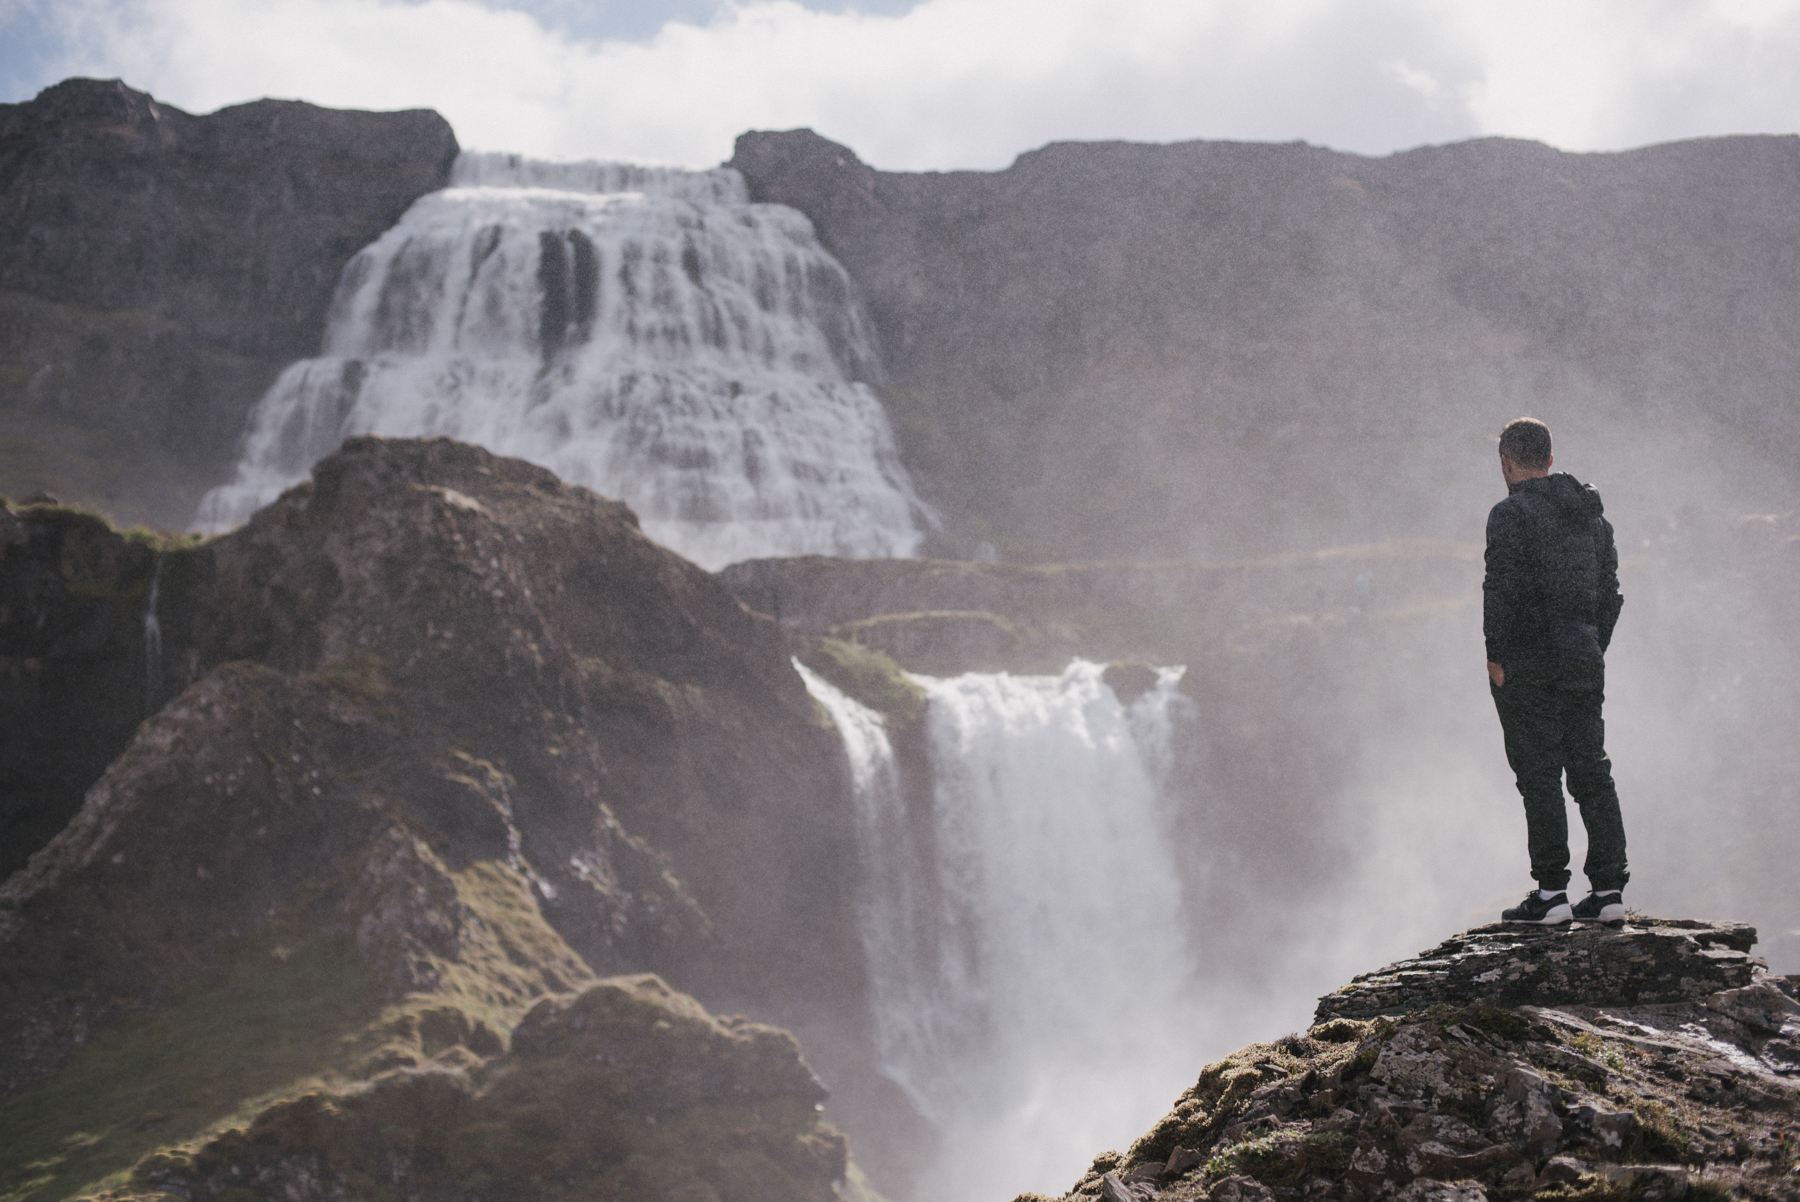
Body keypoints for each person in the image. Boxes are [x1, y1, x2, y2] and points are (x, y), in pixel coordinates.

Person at [1483, 418, 1629, 925]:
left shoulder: (1509, 515)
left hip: (1528, 661)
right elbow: (1609, 595)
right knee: (1591, 770)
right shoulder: (1592, 518)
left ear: (1506, 461)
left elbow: (1500, 589)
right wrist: (1592, 644)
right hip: (1583, 658)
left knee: (1539, 774)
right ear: (1549, 458)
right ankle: (1608, 891)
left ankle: (1551, 895)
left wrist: (1495, 655)